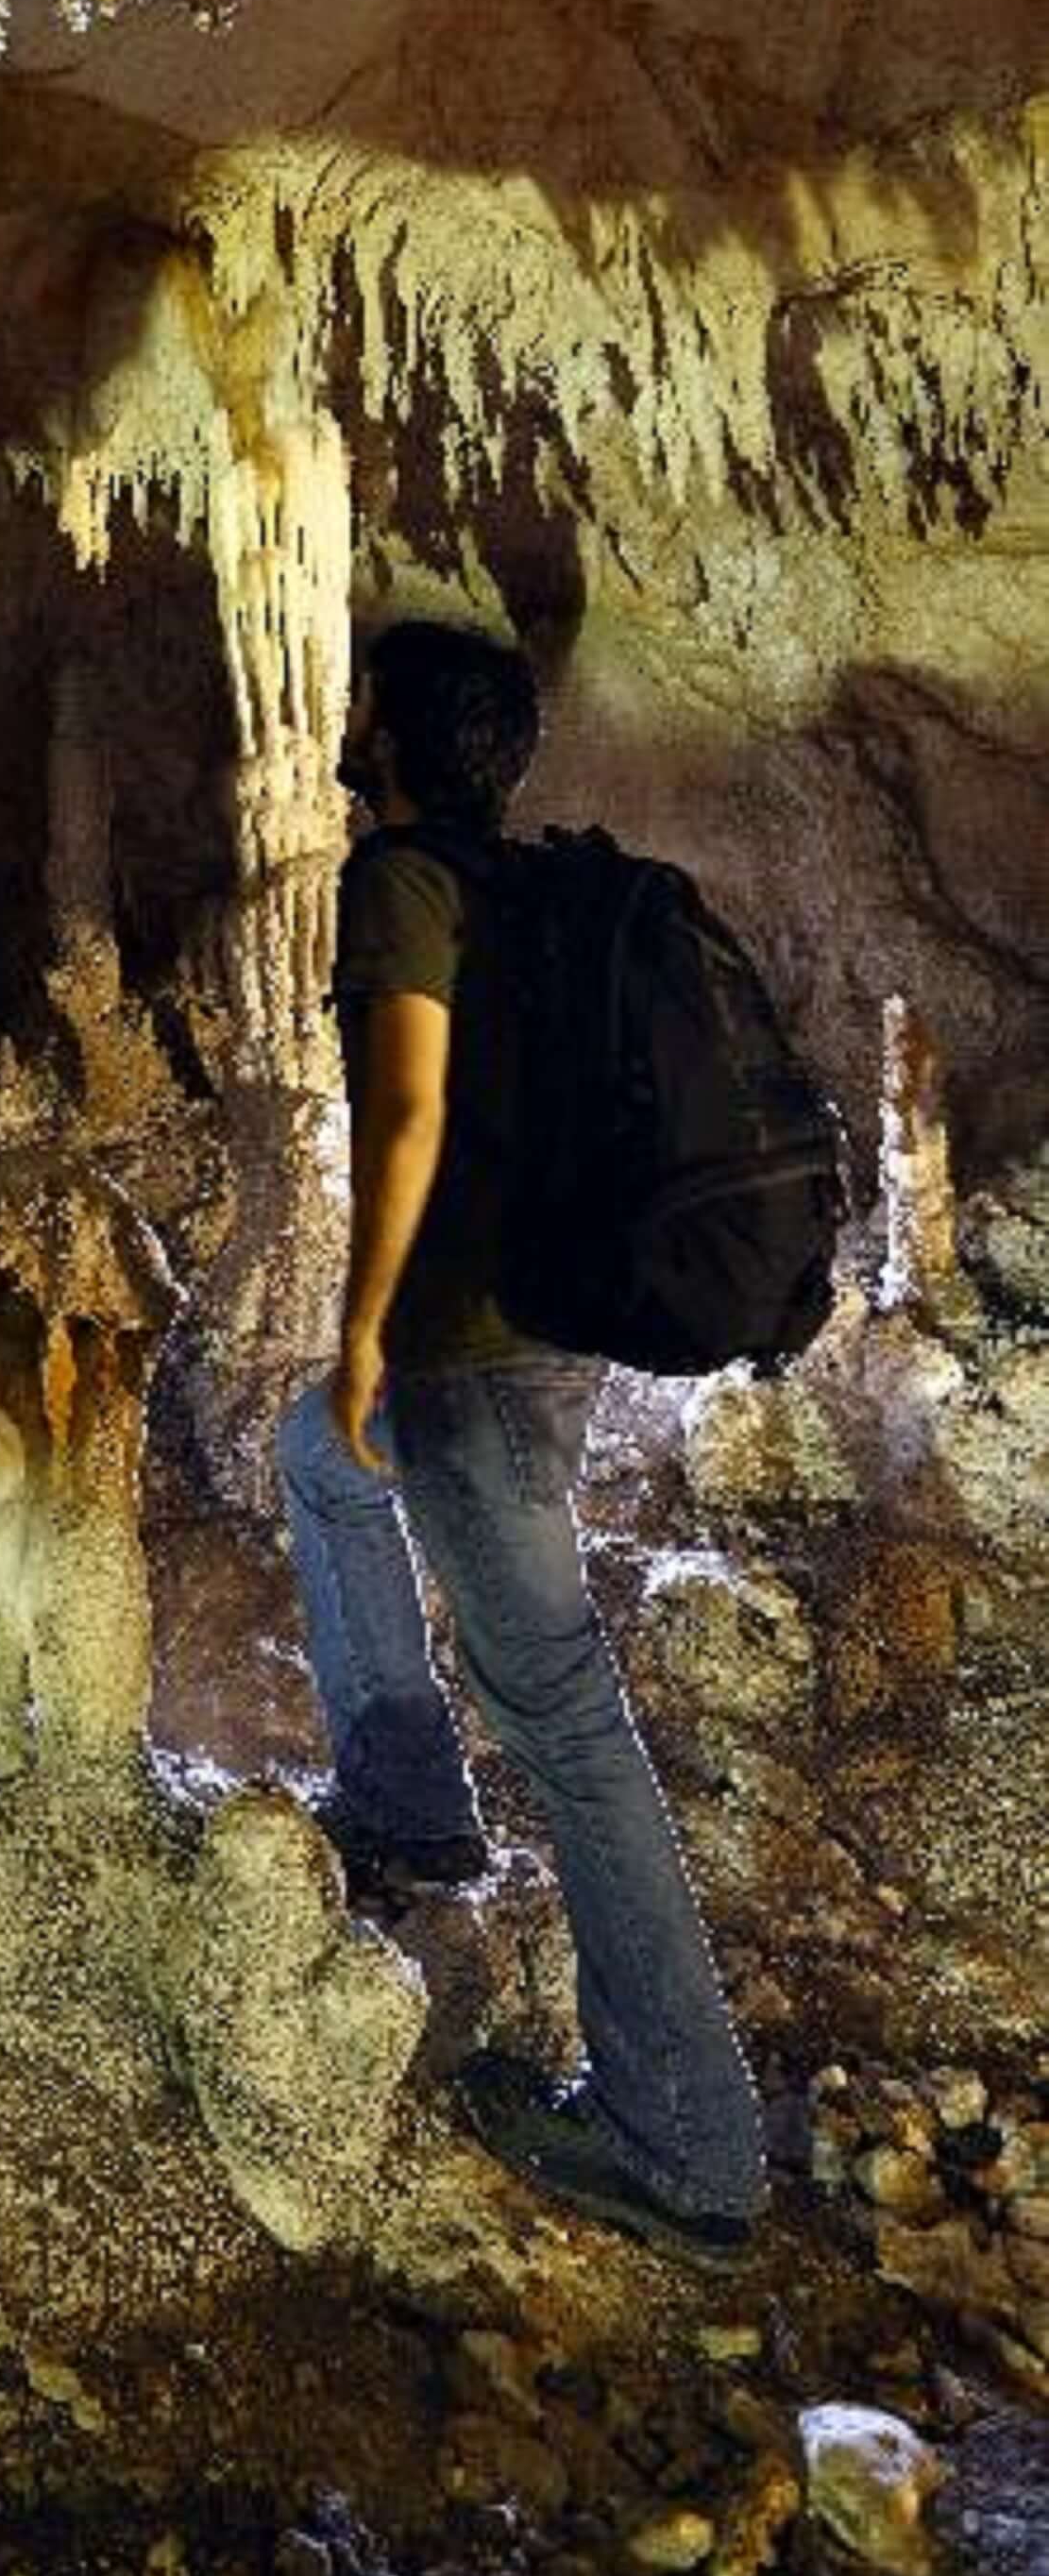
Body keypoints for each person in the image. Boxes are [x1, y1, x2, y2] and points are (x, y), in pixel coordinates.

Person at [277, 617, 768, 2266]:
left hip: (473, 1352)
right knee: (316, 1458)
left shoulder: (406, 880)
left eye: (365, 708)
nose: (348, 726)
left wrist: (364, 1324)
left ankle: (689, 2142)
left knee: (564, 1713)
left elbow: (408, 1108)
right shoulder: (530, 890)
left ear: (402, 741)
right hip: (550, 1336)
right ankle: (411, 1801)